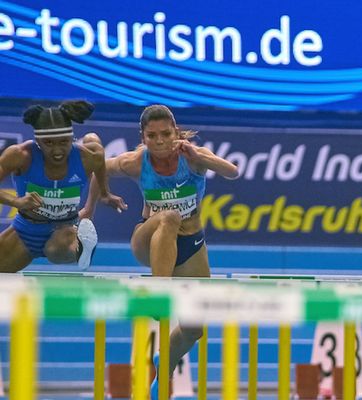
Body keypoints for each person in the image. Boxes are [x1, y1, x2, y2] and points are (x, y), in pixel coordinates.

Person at [81, 104, 239, 396]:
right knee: (169, 217)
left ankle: (163, 362)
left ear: (176, 133)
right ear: (143, 137)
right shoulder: (135, 162)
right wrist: (91, 207)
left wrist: (201, 156)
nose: (160, 142)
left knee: (194, 329)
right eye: (152, 136)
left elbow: (232, 171)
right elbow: (98, 165)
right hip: (148, 238)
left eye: (166, 134)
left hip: (189, 246)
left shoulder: (192, 158)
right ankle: (158, 291)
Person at [0, 100, 125, 273]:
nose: (57, 150)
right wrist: (17, 202)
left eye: (64, 142)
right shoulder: (20, 155)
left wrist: (105, 193)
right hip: (25, 231)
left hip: (63, 231)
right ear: (38, 141)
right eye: (49, 143)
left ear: (72, 138)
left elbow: (99, 160)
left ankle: (81, 247)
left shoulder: (87, 157)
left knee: (54, 250)